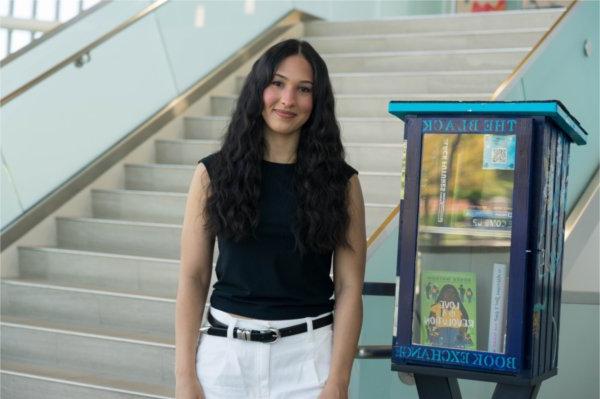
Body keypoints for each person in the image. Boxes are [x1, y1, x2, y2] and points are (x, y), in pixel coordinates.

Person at [175, 39, 366, 399]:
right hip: (225, 359)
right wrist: (185, 377)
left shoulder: (342, 184)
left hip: (309, 362)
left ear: (318, 101)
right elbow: (193, 277)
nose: (288, 99)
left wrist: (338, 380)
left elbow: (349, 287)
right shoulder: (212, 174)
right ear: (257, 89)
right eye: (277, 83)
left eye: (303, 89)